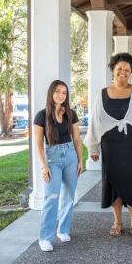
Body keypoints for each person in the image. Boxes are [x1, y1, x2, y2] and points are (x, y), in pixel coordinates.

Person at [84, 52, 132, 239]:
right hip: (111, 146)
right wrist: (92, 147)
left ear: (131, 72)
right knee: (114, 185)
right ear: (113, 70)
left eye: (127, 70)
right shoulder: (102, 94)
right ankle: (117, 222)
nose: (123, 72)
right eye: (119, 69)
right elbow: (95, 121)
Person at [34, 80, 83, 252]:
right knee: (51, 197)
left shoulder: (71, 113)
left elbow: (76, 139)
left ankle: (63, 229)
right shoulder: (41, 116)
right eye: (57, 91)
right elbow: (39, 144)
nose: (61, 95)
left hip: (70, 156)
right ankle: (45, 237)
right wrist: (43, 166)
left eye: (64, 92)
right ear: (51, 93)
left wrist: (80, 160)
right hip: (52, 158)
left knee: (69, 196)